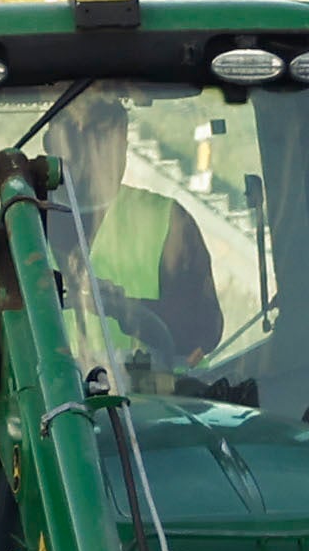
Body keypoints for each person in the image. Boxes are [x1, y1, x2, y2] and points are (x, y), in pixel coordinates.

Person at [58, 98, 222, 371]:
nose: (106, 157)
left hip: (161, 396)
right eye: (93, 141)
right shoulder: (12, 225)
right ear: (57, 147)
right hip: (43, 397)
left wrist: (126, 309)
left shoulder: (167, 220)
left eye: (114, 143)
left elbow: (202, 331)